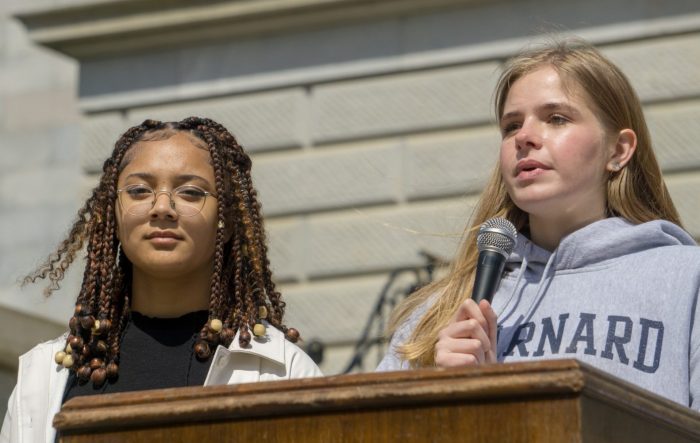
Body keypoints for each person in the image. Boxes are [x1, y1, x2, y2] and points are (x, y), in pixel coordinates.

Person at [376, 38, 700, 410]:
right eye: (512, 126)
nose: (524, 137)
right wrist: (434, 391)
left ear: (619, 150)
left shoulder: (687, 280)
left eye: (556, 118)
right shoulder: (443, 310)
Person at [1, 117, 322, 442]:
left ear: (227, 221)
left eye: (191, 192)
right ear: (112, 213)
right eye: (139, 190)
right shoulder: (46, 374)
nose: (162, 207)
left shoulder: (283, 371)